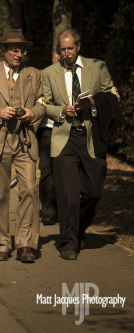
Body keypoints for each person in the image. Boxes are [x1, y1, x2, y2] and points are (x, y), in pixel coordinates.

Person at [42, 29, 116, 260]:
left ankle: (79, 228)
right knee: (68, 195)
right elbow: (45, 104)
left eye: (70, 48)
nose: (66, 53)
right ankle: (68, 242)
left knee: (93, 192)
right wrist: (61, 110)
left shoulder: (98, 67)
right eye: (62, 49)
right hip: (64, 137)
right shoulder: (49, 73)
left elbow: (113, 95)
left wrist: (93, 102)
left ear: (78, 47)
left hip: (92, 137)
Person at [0, 29, 45, 262]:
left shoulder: (33, 74)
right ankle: (2, 243)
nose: (19, 54)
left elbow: (43, 103)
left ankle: (25, 243)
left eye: (22, 49)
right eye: (14, 49)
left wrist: (33, 113)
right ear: (3, 50)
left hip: (24, 140)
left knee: (30, 190)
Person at [37, 51, 61, 225]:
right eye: (56, 55)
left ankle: (62, 208)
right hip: (47, 129)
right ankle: (47, 210)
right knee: (46, 169)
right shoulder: (42, 75)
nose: (59, 58)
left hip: (67, 129)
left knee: (64, 171)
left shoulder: (73, 75)